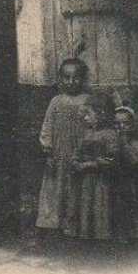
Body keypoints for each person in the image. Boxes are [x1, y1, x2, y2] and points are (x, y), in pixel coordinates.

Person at [36, 58, 91, 240]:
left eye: (75, 78)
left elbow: (94, 126)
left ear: (82, 79)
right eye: (66, 78)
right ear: (60, 79)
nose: (71, 82)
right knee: (56, 187)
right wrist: (48, 148)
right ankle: (54, 224)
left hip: (79, 152)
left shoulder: (88, 100)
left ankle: (75, 226)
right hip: (58, 153)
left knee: (77, 187)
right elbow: (47, 126)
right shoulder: (56, 101)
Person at [64, 96, 115, 241]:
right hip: (83, 178)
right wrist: (75, 161)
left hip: (100, 178)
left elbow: (110, 158)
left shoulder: (109, 134)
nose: (85, 118)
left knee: (99, 203)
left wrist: (89, 164)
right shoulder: (86, 133)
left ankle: (100, 236)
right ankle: (84, 234)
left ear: (101, 115)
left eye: (89, 114)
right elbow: (77, 150)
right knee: (84, 204)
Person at [109, 106, 138, 242]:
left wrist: (123, 141)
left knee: (135, 201)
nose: (121, 127)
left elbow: (134, 159)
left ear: (132, 124)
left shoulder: (135, 139)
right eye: (117, 124)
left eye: (125, 123)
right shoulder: (114, 137)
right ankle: (122, 232)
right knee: (119, 202)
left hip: (134, 176)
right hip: (119, 174)